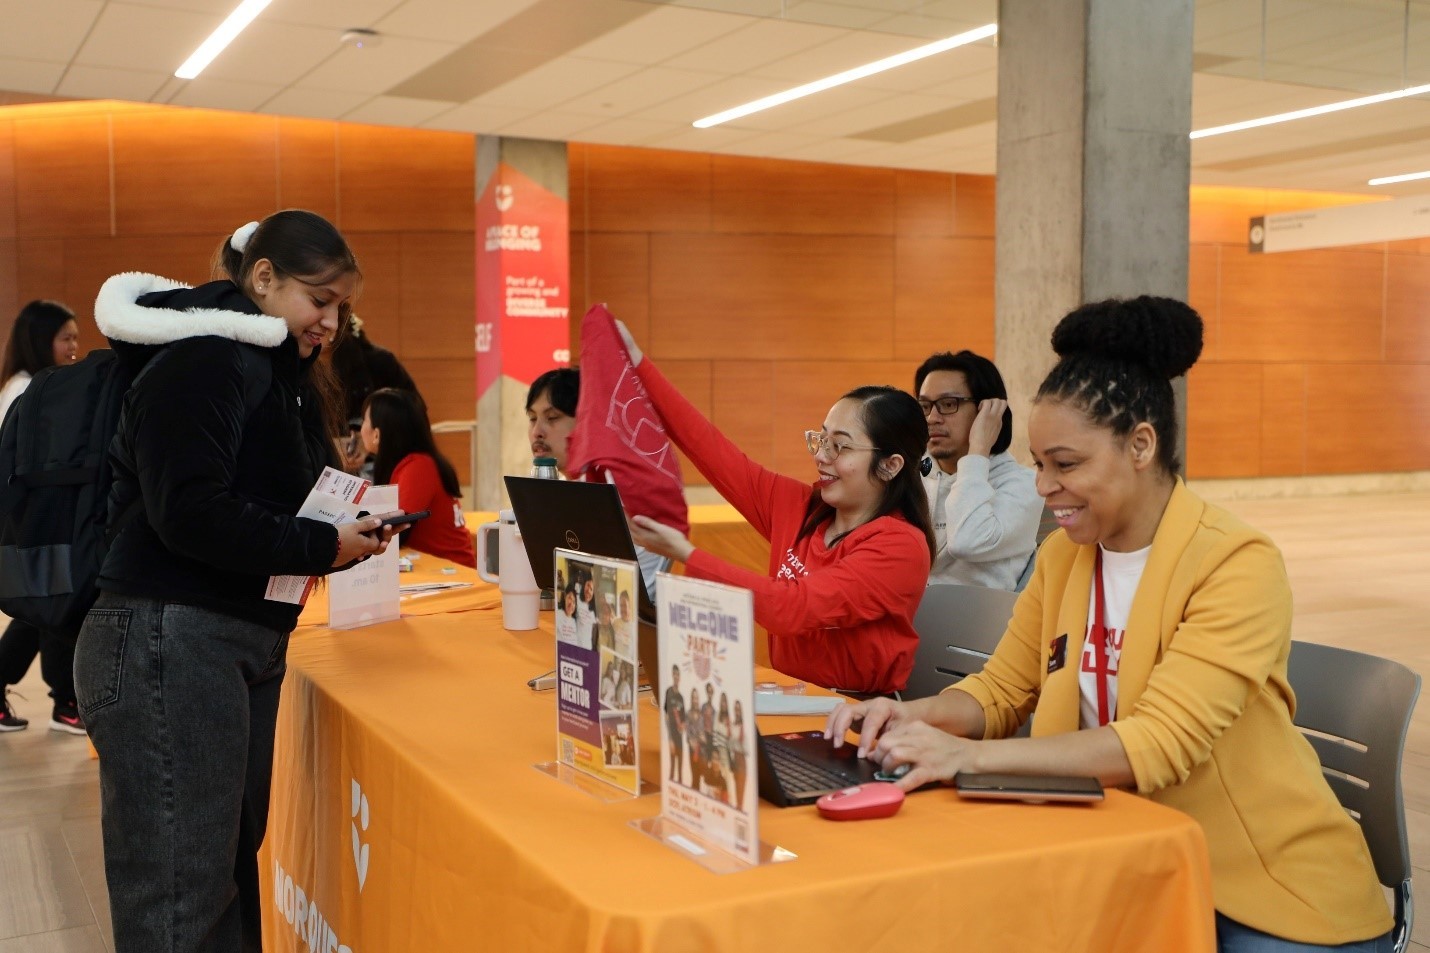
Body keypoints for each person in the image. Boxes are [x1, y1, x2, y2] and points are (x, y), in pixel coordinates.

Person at [826, 297, 1391, 953]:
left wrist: (968, 757)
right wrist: (909, 716)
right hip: (1121, 855)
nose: (1043, 486)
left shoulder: (1236, 562)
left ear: (1142, 445)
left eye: (1065, 465)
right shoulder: (1065, 555)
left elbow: (1156, 742)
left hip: (1263, 893)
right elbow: (1002, 690)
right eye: (1038, 463)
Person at [76, 210, 395, 953]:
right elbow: (188, 510)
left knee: (214, 878)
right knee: (182, 895)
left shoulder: (265, 371)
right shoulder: (209, 357)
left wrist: (333, 535)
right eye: (320, 299)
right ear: (262, 278)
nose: (332, 321)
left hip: (215, 640)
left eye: (341, 306)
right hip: (173, 640)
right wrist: (321, 541)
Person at [619, 325, 934, 696]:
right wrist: (636, 363)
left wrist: (686, 554)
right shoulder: (801, 507)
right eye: (821, 439)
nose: (821, 456)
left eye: (840, 447)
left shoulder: (900, 547)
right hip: (791, 698)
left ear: (890, 465)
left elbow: (793, 609)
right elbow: (709, 448)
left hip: (857, 717)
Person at [525, 364, 687, 596]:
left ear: (586, 420)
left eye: (552, 418)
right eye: (532, 419)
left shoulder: (620, 490)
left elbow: (623, 596)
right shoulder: (568, 487)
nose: (537, 432)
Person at [0, 299, 85, 734]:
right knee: (52, 603)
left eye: (75, 336)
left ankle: (63, 701)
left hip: (37, 517)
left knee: (40, 608)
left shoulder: (39, 384)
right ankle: (65, 703)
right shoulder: (24, 389)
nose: (75, 346)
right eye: (65, 338)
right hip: (30, 519)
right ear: (40, 341)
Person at [914, 350, 1042, 590]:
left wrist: (979, 449)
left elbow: (967, 542)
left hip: (988, 625)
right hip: (911, 623)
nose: (932, 418)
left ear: (987, 411)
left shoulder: (1025, 484)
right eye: (924, 406)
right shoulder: (911, 476)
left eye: (948, 404)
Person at [360, 387, 476, 568]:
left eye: (364, 421)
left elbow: (396, 531)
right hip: (432, 566)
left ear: (377, 434)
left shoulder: (419, 467)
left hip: (451, 571)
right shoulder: (413, 462)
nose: (360, 430)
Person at [663, 665, 686, 783]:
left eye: (678, 675)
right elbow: (666, 716)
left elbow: (684, 717)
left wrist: (684, 725)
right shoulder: (669, 692)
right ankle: (671, 782)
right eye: (675, 674)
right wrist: (670, 739)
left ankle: (681, 782)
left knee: (681, 763)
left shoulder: (681, 697)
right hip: (671, 734)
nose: (676, 677)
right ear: (672, 675)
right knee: (672, 764)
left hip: (680, 735)